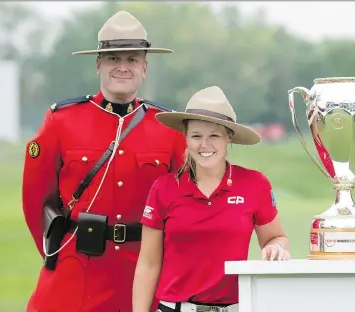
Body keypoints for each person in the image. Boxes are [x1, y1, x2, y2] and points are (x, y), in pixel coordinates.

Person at [22, 10, 186, 312]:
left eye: (132, 59)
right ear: (99, 64)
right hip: (76, 271)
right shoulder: (61, 121)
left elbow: (182, 206)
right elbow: (36, 201)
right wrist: (57, 251)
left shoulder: (169, 128)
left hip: (141, 276)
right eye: (113, 58)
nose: (122, 67)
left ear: (144, 67)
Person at [132, 86, 291, 312]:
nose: (204, 145)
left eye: (214, 135)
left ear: (228, 137)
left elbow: (276, 237)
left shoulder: (254, 184)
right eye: (196, 135)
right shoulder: (164, 188)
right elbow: (148, 264)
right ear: (185, 137)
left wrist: (276, 247)